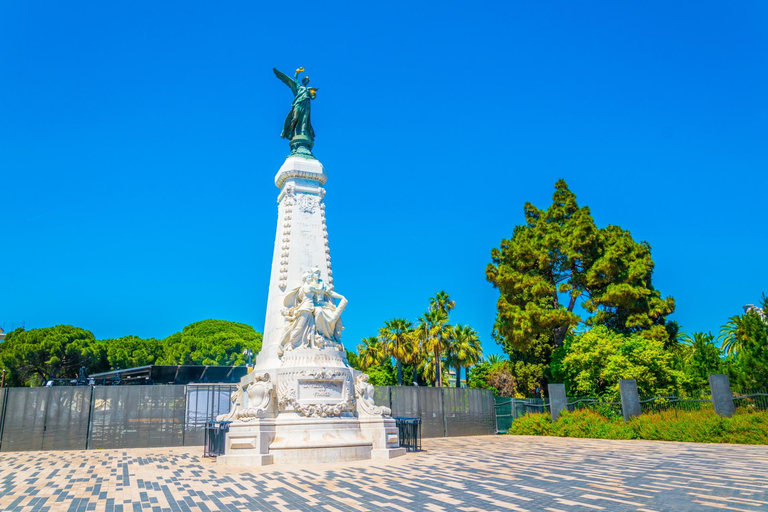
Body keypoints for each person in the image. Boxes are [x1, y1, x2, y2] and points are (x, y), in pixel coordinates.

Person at [279, 267, 347, 355]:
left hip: (324, 305)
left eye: (319, 273)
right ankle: (319, 334)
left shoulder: (322, 283)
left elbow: (330, 293)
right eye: (315, 273)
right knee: (318, 312)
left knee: (331, 318)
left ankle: (328, 337)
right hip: (314, 306)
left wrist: (341, 297)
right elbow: (302, 296)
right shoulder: (309, 285)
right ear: (311, 275)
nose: (318, 274)